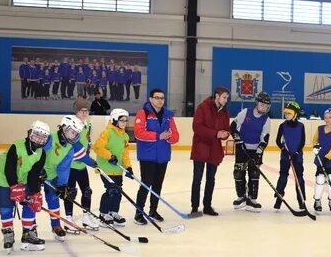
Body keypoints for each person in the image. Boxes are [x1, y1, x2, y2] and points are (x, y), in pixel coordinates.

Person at [0, 121, 50, 253]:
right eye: (37, 135)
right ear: (30, 133)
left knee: (31, 202)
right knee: (6, 208)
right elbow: (9, 169)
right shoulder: (16, 147)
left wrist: (35, 193)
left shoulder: (42, 154)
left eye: (43, 137)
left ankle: (28, 233)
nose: (39, 139)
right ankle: (8, 232)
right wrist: (14, 186)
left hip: (24, 178)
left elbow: (33, 175)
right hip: (4, 178)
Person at [43, 115, 97, 240]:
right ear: (64, 128)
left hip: (51, 175)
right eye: (72, 132)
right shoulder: (50, 138)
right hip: (36, 173)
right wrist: (38, 171)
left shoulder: (70, 147)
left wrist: (62, 185)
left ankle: (56, 226)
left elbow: (63, 167)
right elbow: (38, 154)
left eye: (76, 133)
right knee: (33, 200)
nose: (74, 136)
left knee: (53, 199)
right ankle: (30, 229)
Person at [133, 89, 180, 225]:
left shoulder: (168, 116)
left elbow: (176, 136)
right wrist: (158, 136)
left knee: (157, 185)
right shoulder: (143, 113)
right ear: (151, 99)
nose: (160, 100)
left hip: (163, 156)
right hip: (147, 156)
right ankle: (139, 213)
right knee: (146, 184)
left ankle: (153, 210)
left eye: (162, 98)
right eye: (157, 97)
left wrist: (170, 137)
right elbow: (138, 133)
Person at [190, 86, 231, 217]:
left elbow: (226, 129)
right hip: (201, 148)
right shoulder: (203, 107)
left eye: (227, 98)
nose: (226, 100)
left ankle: (207, 206)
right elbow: (197, 127)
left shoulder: (225, 112)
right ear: (217, 96)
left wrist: (224, 134)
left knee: (211, 179)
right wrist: (216, 134)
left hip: (214, 150)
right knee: (197, 178)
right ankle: (195, 207)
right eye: (224, 97)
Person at [63, 99, 100, 232]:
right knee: (70, 192)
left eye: (86, 110)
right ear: (76, 112)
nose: (84, 113)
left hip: (81, 164)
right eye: (81, 111)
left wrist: (88, 153)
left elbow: (87, 141)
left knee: (87, 191)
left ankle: (86, 216)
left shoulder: (88, 124)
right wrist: (89, 161)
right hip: (71, 165)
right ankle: (69, 219)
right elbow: (74, 146)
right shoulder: (71, 125)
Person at [230, 92, 271, 213]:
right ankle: (241, 196)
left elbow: (265, 137)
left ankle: (252, 199)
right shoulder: (245, 113)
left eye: (266, 106)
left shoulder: (266, 119)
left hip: (255, 149)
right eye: (262, 105)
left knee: (254, 173)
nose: (264, 108)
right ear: (257, 103)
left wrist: (259, 152)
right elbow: (233, 126)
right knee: (238, 172)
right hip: (241, 147)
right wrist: (238, 140)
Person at [94, 108, 134, 226]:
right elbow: (97, 147)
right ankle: (103, 213)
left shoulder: (125, 136)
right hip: (105, 167)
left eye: (126, 121)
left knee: (117, 191)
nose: (124, 123)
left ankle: (113, 212)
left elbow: (125, 154)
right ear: (115, 120)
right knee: (110, 190)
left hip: (118, 169)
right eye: (122, 120)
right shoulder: (107, 132)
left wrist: (128, 167)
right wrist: (109, 156)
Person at [274, 101, 306, 210]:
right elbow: (278, 141)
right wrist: (284, 150)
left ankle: (301, 201)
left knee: (299, 178)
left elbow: (302, 142)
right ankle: (279, 198)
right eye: (286, 113)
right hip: (285, 157)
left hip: (297, 157)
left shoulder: (301, 126)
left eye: (289, 113)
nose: (286, 115)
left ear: (295, 114)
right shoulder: (282, 126)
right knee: (283, 176)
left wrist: (296, 152)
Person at [311, 108, 331, 214]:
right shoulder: (319, 129)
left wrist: (327, 157)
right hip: (320, 158)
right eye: (326, 117)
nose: (327, 119)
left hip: (330, 160)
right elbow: (314, 140)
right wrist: (315, 146)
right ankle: (317, 200)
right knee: (320, 179)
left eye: (330, 117)